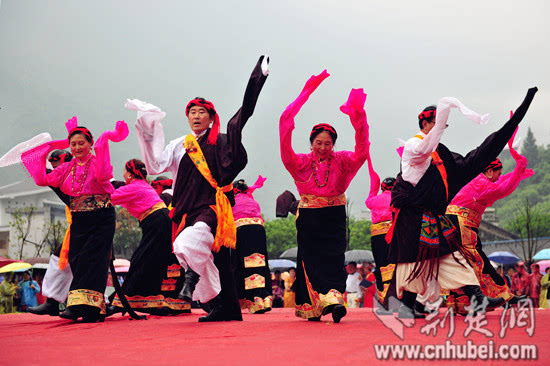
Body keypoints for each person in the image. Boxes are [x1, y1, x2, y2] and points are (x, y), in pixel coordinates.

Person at [127, 55, 269, 322]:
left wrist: (258, 79)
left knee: (187, 243)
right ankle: (222, 306)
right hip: (185, 210)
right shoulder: (180, 144)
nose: (196, 116)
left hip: (214, 207)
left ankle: (191, 284)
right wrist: (148, 126)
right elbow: (155, 164)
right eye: (192, 112)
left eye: (201, 112)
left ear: (211, 117)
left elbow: (243, 115)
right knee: (216, 260)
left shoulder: (223, 140)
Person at [386, 87, 538, 318]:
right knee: (420, 261)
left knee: (447, 255)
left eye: (442, 126)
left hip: (433, 216)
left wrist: (510, 125)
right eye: (435, 125)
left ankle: (474, 296)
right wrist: (440, 122)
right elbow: (424, 148)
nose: (439, 130)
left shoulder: (443, 152)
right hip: (413, 216)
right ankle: (422, 303)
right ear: (424, 124)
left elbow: (469, 163)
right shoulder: (413, 146)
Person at [279, 70, 369, 322]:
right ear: (311, 143)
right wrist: (293, 112)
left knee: (334, 256)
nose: (323, 147)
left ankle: (333, 299)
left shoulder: (343, 160)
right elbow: (284, 139)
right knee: (311, 259)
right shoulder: (299, 162)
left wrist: (358, 120)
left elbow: (362, 150)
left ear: (333, 145)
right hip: (309, 215)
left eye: (327, 143)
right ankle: (318, 305)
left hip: (334, 214)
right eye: (318, 142)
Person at [21, 117, 129, 322]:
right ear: (69, 147)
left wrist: (104, 142)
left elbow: (105, 176)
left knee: (93, 261)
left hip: (101, 217)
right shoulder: (66, 168)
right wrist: (41, 154)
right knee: (76, 260)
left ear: (90, 144)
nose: (78, 147)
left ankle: (82, 307)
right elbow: (44, 179)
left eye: (82, 143)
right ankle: (87, 307)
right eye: (73, 144)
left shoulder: (97, 162)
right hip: (79, 219)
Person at [445, 128, 533, 314]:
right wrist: (518, 170)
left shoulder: (481, 181)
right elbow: (502, 189)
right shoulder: (481, 183)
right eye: (498, 174)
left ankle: (495, 298)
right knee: (474, 261)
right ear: (490, 171)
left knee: (474, 261)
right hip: (460, 222)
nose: (499, 178)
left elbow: (502, 183)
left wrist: (519, 172)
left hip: (464, 224)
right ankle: (484, 299)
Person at [108, 159, 190, 315]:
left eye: (125, 171)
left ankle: (122, 302)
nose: (123, 174)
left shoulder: (134, 187)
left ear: (130, 174)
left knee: (140, 260)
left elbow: (109, 197)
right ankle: (153, 301)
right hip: (163, 221)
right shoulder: (142, 185)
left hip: (156, 221)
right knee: (152, 262)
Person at [28, 149, 74, 317]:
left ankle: (93, 303)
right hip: (78, 225)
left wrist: (38, 162)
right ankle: (54, 302)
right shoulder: (63, 176)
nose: (53, 165)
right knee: (59, 260)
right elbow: (48, 177)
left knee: (81, 265)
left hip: (92, 223)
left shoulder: (75, 174)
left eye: (55, 161)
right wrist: (36, 161)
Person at [232, 175, 273, 314]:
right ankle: (264, 298)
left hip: (242, 230)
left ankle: (252, 300)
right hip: (259, 230)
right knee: (259, 263)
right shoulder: (252, 201)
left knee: (243, 265)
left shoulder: (231, 201)